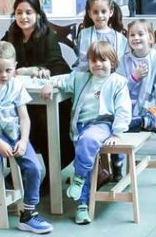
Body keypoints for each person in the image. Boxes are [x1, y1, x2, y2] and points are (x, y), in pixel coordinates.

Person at [0, 0, 75, 183]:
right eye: (19, 12)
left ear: (38, 14)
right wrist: (20, 71)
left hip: (49, 99)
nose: (23, 17)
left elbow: (59, 67)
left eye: (28, 12)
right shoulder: (12, 33)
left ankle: (51, 174)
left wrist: (37, 71)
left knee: (41, 119)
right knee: (7, 115)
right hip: (22, 98)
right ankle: (21, 169)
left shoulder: (47, 35)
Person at [0, 41, 53, 237]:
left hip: (15, 136)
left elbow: (24, 118)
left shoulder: (16, 86)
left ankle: (28, 214)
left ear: (15, 66)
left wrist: (23, 141)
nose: (4, 75)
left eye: (8, 70)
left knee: (35, 167)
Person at [41, 40, 131, 225]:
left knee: (88, 142)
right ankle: (82, 206)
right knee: (86, 157)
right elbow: (60, 80)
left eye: (103, 60)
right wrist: (50, 84)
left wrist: (117, 132)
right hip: (80, 126)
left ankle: (79, 178)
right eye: (94, 60)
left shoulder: (117, 82)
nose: (98, 64)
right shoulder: (80, 78)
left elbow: (123, 109)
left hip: (102, 125)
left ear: (113, 62)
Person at [119, 18, 156, 139]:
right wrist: (134, 78)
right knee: (114, 123)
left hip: (148, 109)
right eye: (132, 35)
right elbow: (119, 89)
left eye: (140, 34)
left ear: (151, 38)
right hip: (126, 109)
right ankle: (144, 123)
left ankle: (149, 121)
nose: (136, 37)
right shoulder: (124, 59)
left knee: (150, 116)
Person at [75, 0, 127, 71]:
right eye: (95, 12)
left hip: (111, 77)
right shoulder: (84, 34)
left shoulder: (119, 38)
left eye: (103, 11)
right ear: (90, 14)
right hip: (89, 75)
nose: (100, 15)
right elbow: (83, 62)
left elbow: (120, 63)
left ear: (111, 12)